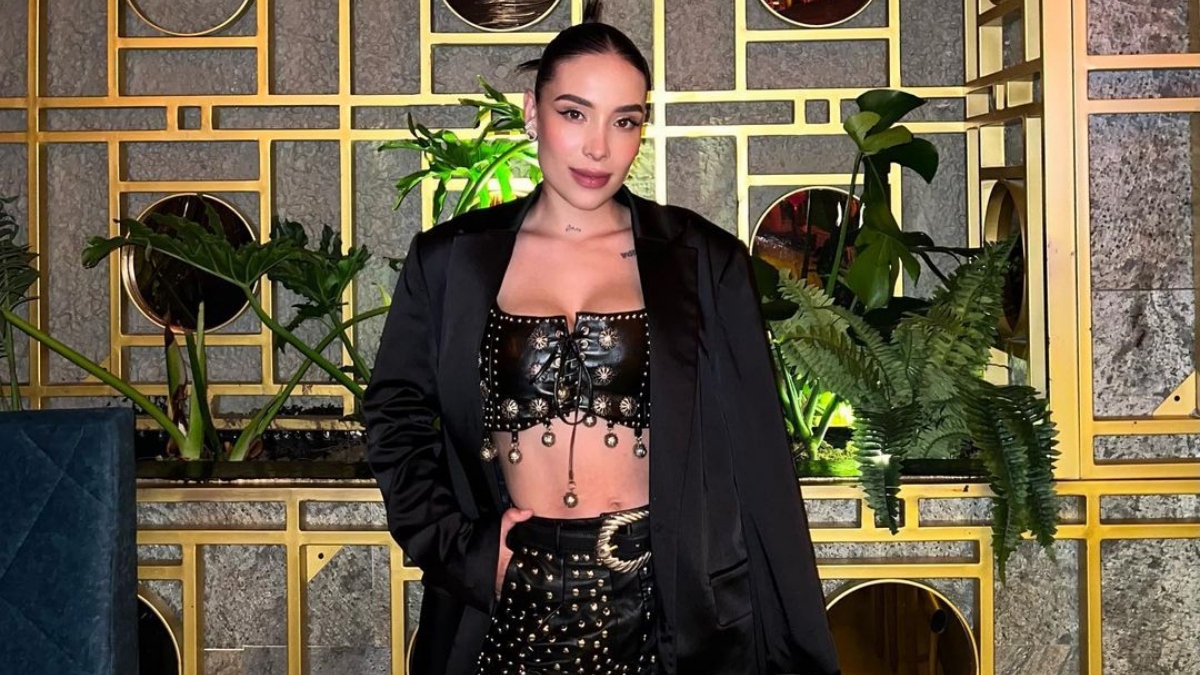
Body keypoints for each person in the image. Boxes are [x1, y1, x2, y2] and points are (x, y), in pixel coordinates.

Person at [363, 2, 840, 673]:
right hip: (507, 596)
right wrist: (460, 548)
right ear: (532, 113)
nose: (599, 148)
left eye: (625, 121)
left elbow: (758, 457)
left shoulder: (703, 260)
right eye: (574, 113)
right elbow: (396, 416)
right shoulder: (450, 261)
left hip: (660, 601)